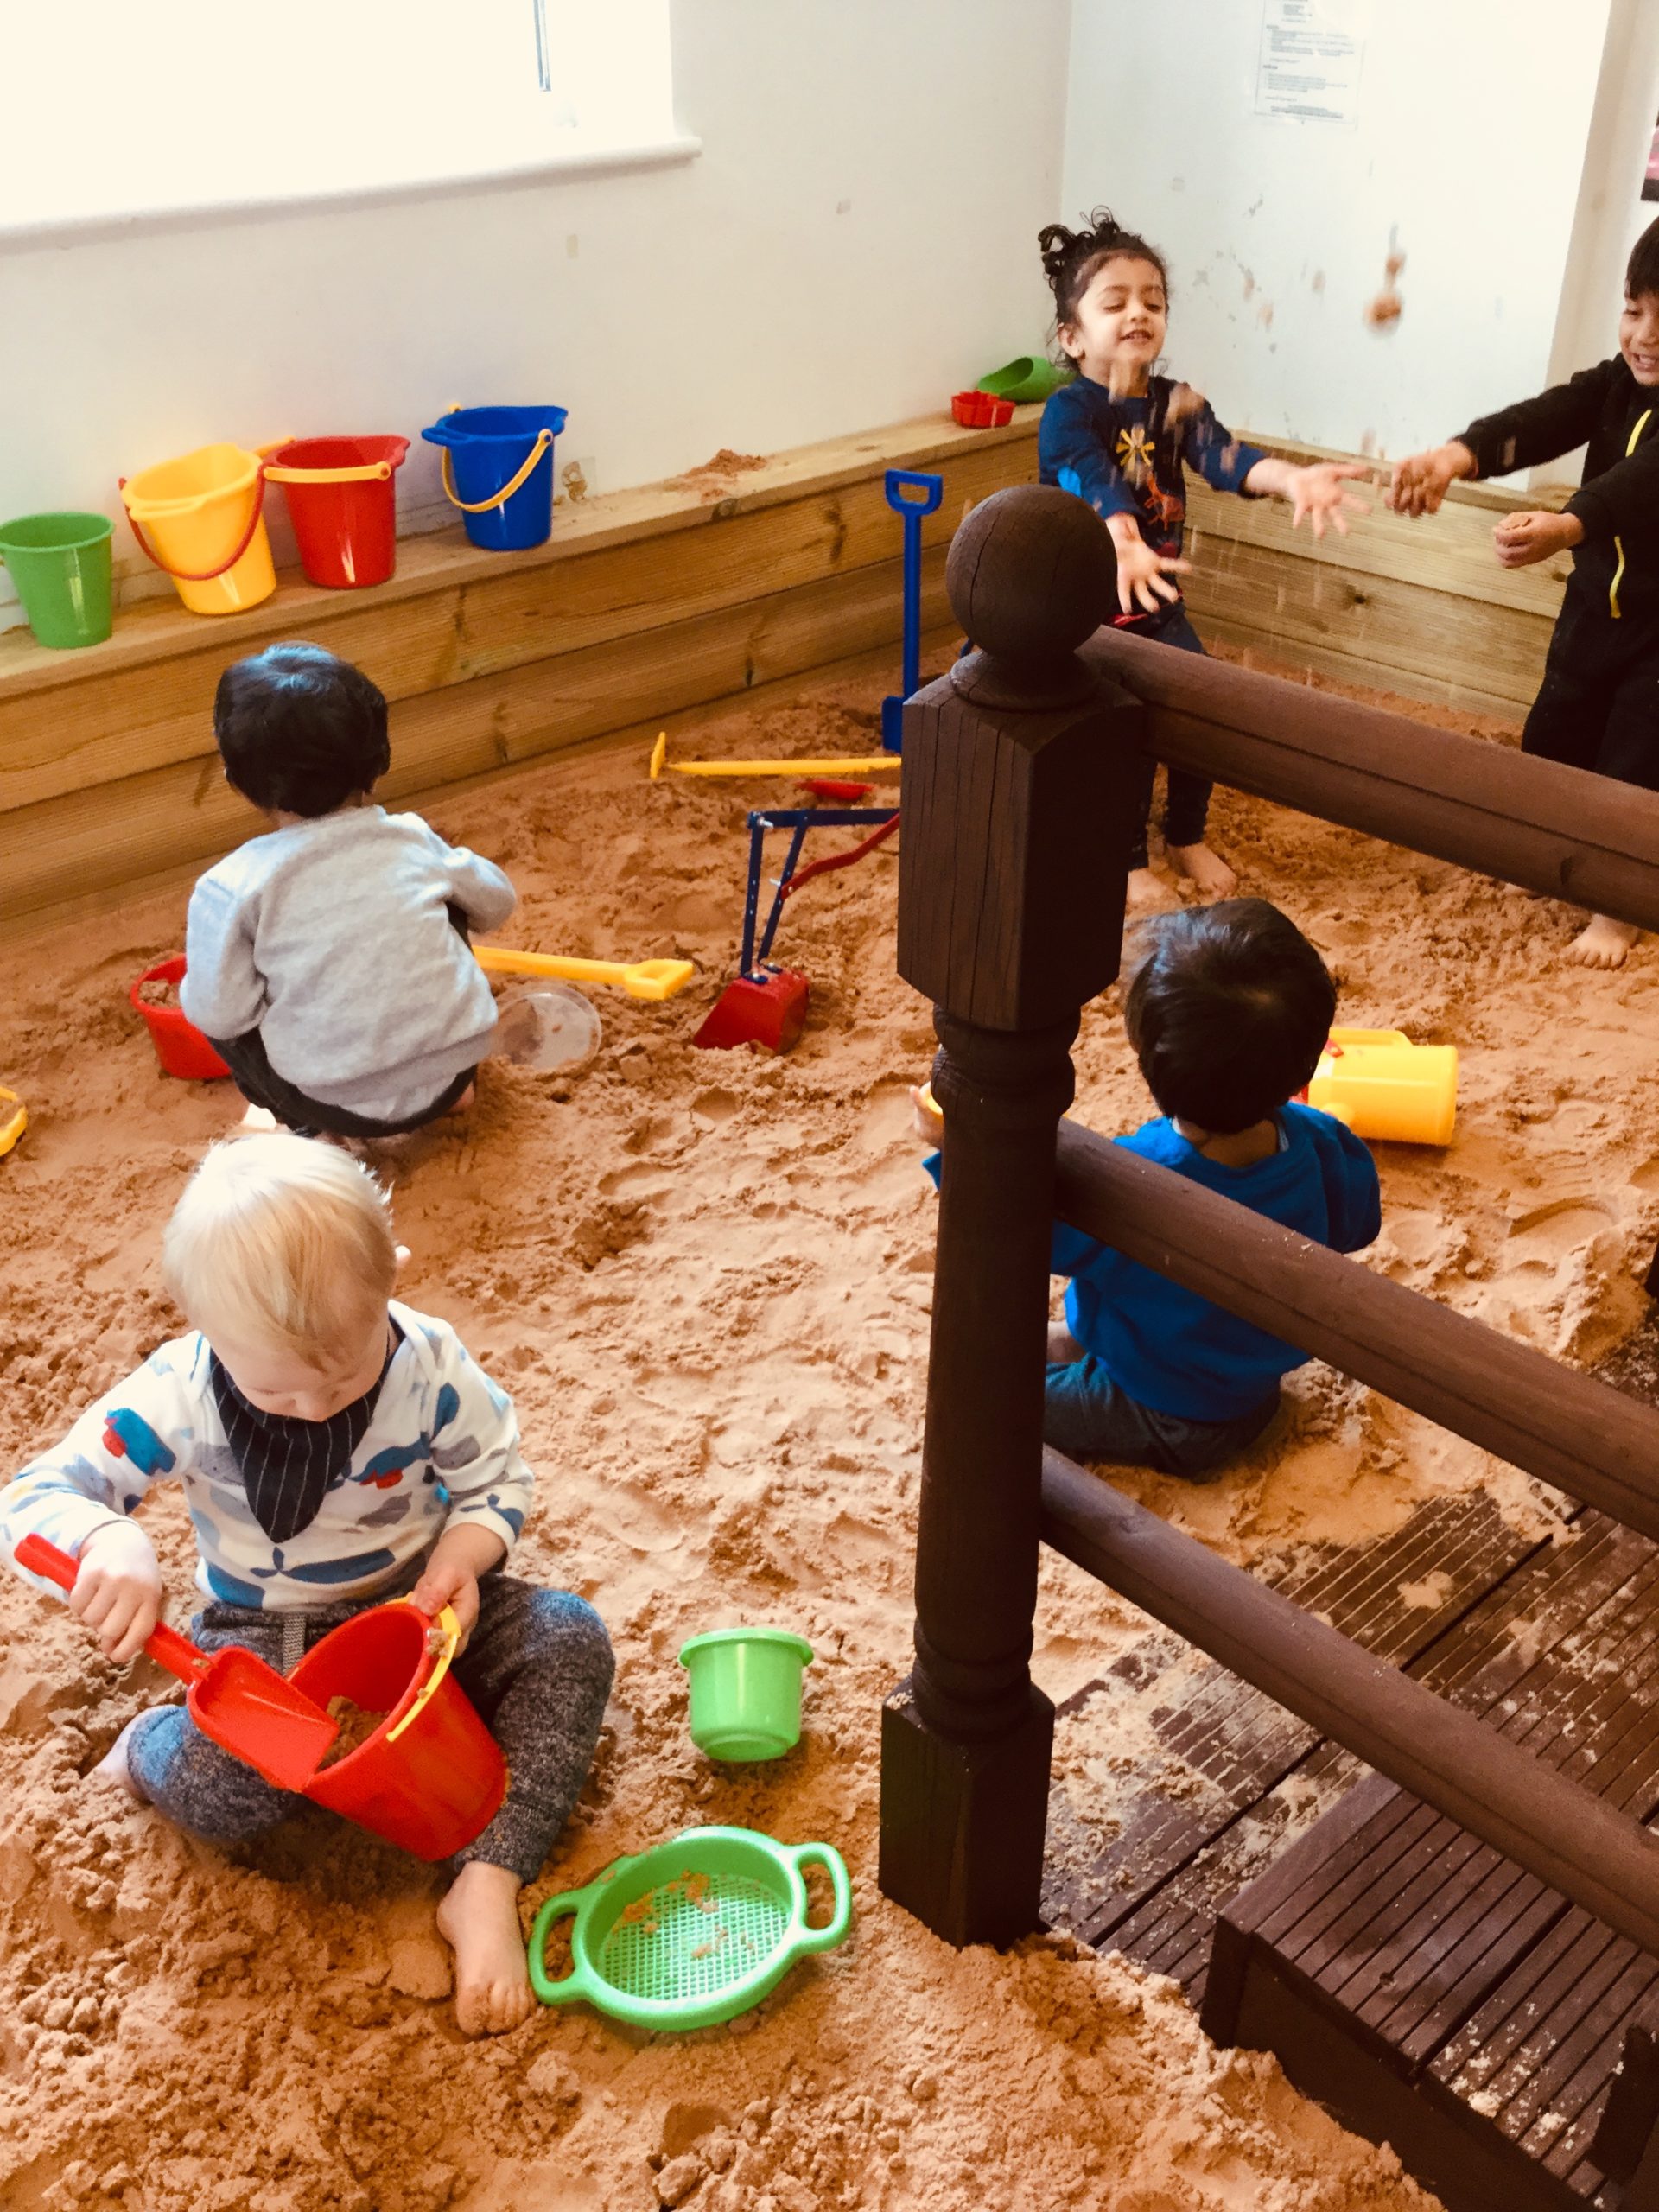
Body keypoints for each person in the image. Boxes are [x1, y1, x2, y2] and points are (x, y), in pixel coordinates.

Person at [0, 1135, 613, 2037]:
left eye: (344, 1377)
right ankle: (147, 1747)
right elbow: (35, 1495)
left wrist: (467, 1554)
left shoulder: (429, 1363)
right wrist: (106, 1536)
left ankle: (487, 1876)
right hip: (261, 1637)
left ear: (393, 1280)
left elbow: (496, 1479)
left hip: (415, 1610)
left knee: (569, 1640)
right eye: (283, 1394)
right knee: (234, 1792)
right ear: (205, 1328)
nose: (318, 1410)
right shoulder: (180, 1390)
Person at [913, 900, 1381, 1481]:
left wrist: (958, 1141)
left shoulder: (1140, 1177)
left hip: (1169, 1413)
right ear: (1306, 1063)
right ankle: (1087, 1345)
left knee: (982, 1395)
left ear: (1152, 1067)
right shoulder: (1323, 1142)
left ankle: (1096, 1369)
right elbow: (1360, 1223)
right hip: (1249, 1385)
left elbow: (1020, 1222)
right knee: (1100, 1322)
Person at [1037, 208, 1370, 907]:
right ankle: (1127, 856)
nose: (1139, 313)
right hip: (1085, 615)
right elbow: (1088, 479)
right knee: (1121, 733)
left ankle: (1184, 833)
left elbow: (1229, 461)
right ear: (1072, 335)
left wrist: (1291, 478)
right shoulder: (1069, 411)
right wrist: (1124, 541)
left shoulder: (1176, 404)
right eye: (1116, 301)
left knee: (1200, 711)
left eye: (1153, 302)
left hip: (1157, 606)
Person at [1388, 216, 1659, 969]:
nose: (1645, 335)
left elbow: (1643, 486)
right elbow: (1545, 420)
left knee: (1634, 767)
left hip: (1657, 637)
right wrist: (1458, 455)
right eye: (1635, 309)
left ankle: (1620, 909)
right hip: (1591, 613)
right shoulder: (1615, 383)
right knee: (1554, 742)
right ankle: (1555, 860)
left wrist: (1569, 525)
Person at [179, 642, 537, 1140]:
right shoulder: (410, 838)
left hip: (331, 1100)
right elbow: (496, 905)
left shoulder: (231, 885)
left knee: (212, 1003)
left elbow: (222, 1012)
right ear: (379, 760)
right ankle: (452, 1097)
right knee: (446, 900)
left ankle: (303, 1126)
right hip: (455, 1068)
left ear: (235, 780)